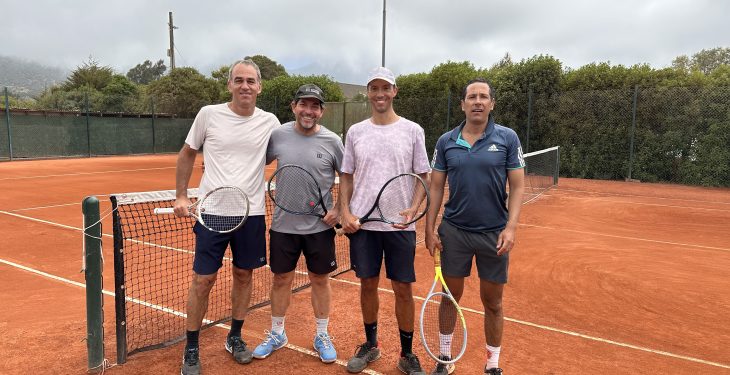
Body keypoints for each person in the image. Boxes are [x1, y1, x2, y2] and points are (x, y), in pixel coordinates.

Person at [174, 59, 281, 375]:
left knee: (245, 275)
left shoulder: (270, 122)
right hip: (212, 213)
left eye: (251, 81)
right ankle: (191, 347)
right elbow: (186, 153)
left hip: (252, 213)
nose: (245, 86)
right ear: (229, 85)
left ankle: (234, 336)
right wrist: (181, 195)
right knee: (203, 279)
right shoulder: (209, 114)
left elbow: (278, 152)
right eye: (239, 80)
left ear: (259, 86)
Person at [425, 78, 526, 375]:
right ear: (463, 104)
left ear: (492, 103)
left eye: (483, 97)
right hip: (453, 233)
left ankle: (492, 364)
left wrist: (511, 228)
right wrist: (429, 229)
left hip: (494, 235)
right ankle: (445, 358)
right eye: (472, 97)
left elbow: (518, 187)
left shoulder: (507, 138)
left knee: (493, 302)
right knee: (449, 298)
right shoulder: (446, 141)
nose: (478, 101)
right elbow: (435, 188)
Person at [340, 67, 431, 375]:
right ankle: (371, 345)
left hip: (399, 227)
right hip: (363, 226)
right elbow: (347, 177)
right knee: (368, 285)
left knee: (403, 289)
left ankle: (407, 354)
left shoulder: (413, 130)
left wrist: (413, 208)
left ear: (395, 91)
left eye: (385, 87)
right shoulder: (355, 132)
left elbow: (423, 177)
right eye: (373, 88)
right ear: (368, 92)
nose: (379, 93)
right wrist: (345, 212)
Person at [252, 84, 344, 363]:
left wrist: (339, 208)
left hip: (320, 228)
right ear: (293, 107)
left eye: (315, 106)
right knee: (281, 279)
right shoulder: (278, 135)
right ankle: (278, 333)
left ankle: (322, 334)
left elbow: (349, 176)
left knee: (320, 279)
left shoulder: (332, 142)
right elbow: (254, 161)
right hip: (283, 226)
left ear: (321, 111)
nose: (309, 110)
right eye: (304, 104)